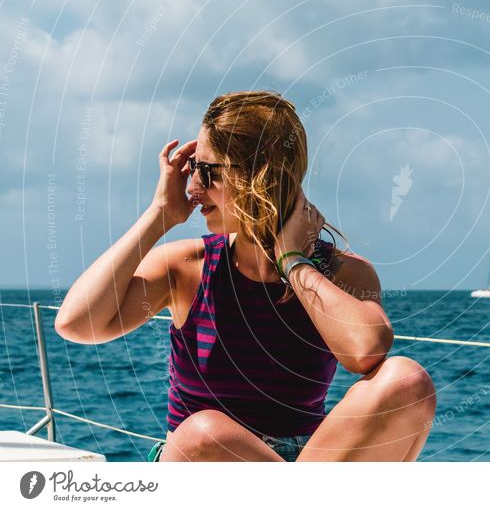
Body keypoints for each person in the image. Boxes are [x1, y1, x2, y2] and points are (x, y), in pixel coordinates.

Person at [55, 91, 436, 462]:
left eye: (206, 171)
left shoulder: (340, 272)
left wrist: (293, 261)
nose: (192, 188)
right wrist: (160, 215)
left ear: (259, 177)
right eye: (192, 170)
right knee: (204, 434)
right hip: (201, 465)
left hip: (308, 466)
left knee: (407, 381)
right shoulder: (189, 267)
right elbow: (77, 323)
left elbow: (367, 350)